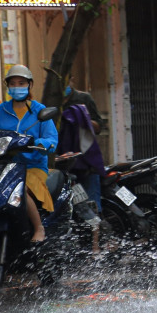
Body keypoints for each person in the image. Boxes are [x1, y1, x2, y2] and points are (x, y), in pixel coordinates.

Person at [0, 65, 58, 242]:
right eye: (13, 83)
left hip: (33, 167)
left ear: (30, 85)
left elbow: (52, 138)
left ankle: (38, 228)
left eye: (21, 83)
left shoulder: (39, 110)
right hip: (4, 166)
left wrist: (42, 142)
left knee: (20, 189)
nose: (17, 87)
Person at [60, 76, 106, 212]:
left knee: (92, 207)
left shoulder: (84, 99)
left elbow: (99, 127)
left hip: (86, 163)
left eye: (65, 81)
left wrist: (83, 119)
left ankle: (96, 231)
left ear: (71, 80)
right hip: (63, 165)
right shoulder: (52, 103)